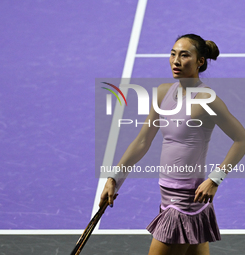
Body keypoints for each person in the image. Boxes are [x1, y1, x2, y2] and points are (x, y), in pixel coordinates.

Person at [99, 34, 245, 255]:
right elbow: (142, 141)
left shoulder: (207, 100)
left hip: (185, 202)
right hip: (167, 197)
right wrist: (114, 179)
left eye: (185, 55)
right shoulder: (163, 92)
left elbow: (241, 139)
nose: (176, 60)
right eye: (173, 53)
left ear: (200, 62)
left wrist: (215, 179)